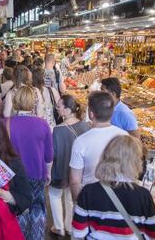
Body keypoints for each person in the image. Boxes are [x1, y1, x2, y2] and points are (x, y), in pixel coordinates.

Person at [72, 135, 155, 240]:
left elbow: (78, 232)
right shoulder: (144, 196)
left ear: (106, 157)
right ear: (136, 161)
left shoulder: (88, 191)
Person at [7, 85, 53, 240]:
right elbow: (48, 155)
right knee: (37, 208)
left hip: (14, 176)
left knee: (19, 209)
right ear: (33, 102)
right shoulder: (42, 124)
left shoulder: (6, 124)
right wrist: (49, 173)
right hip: (37, 173)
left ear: (15, 101)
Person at [69, 91, 128, 202]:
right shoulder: (125, 136)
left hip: (91, 200)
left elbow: (75, 181)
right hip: (119, 201)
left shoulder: (81, 141)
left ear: (91, 114)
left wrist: (79, 204)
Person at [49, 95, 90, 237]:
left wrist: (48, 171)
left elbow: (53, 153)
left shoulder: (58, 130)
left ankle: (59, 227)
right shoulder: (85, 126)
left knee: (54, 195)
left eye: (59, 106)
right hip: (77, 171)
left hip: (60, 168)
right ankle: (69, 226)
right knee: (71, 198)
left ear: (67, 110)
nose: (57, 109)